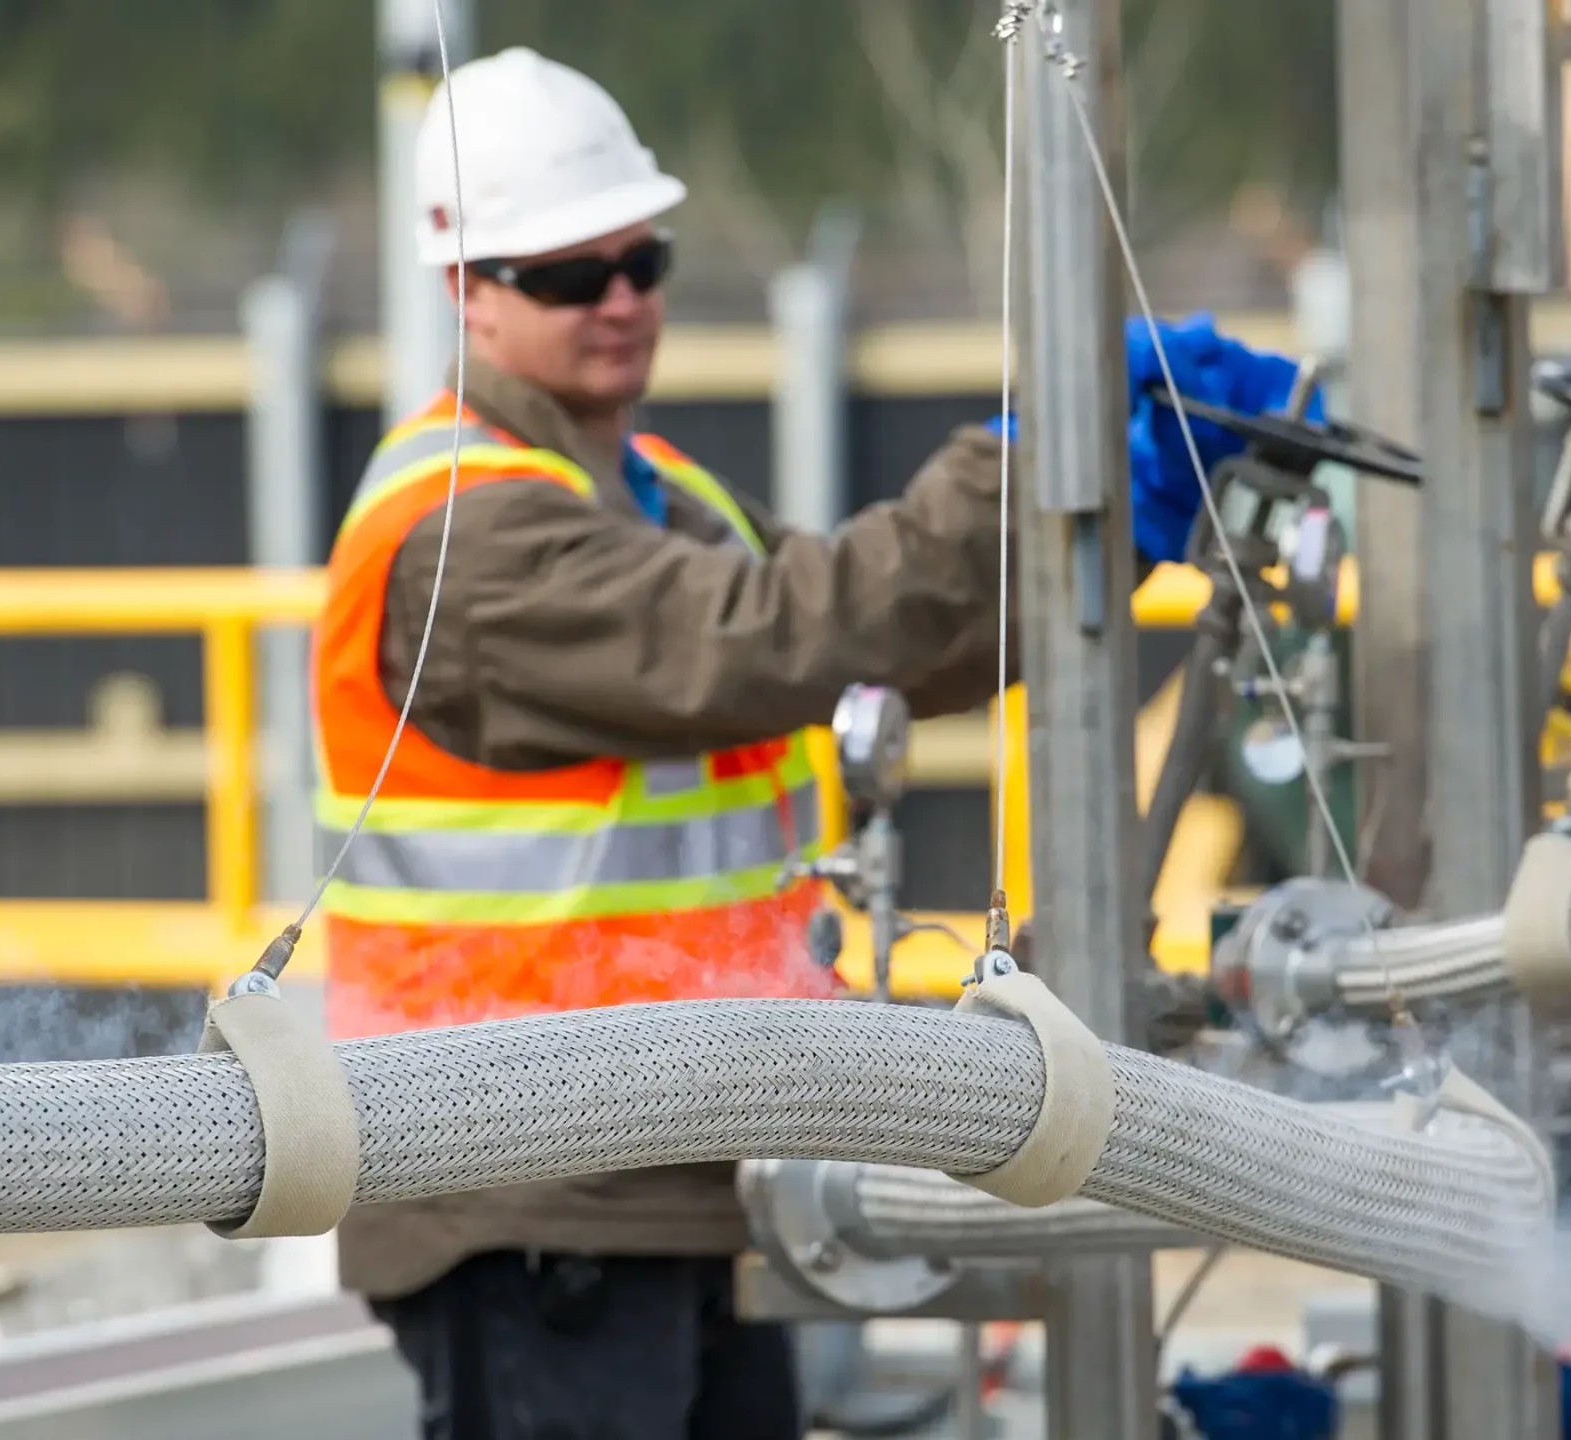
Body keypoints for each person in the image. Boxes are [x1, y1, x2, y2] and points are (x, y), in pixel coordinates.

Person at [311, 45, 1323, 1440]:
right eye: (566, 274)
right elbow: (780, 634)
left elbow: (883, 640)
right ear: (464, 291)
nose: (620, 300)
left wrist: (1105, 513)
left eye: (643, 258)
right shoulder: (470, 537)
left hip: (671, 1158)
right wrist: (1026, 474)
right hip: (532, 1183)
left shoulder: (646, 490)